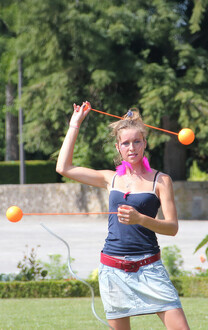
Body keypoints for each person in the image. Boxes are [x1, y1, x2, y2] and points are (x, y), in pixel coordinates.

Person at [56, 101, 190, 330]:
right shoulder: (111, 179)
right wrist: (74, 124)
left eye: (137, 141)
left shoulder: (161, 180)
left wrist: (141, 219)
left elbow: (172, 227)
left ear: (145, 144)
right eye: (125, 143)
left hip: (150, 267)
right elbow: (64, 168)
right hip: (113, 269)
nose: (132, 147)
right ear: (118, 148)